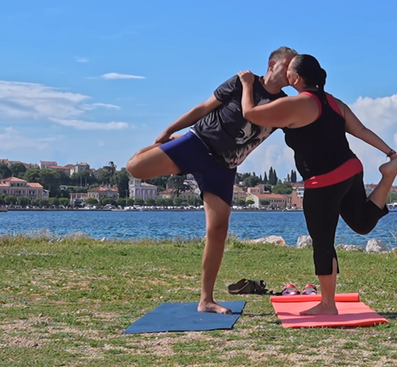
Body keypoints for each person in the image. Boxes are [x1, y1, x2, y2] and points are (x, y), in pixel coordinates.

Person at [126, 46, 297, 314]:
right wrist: (169, 132)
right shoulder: (242, 82)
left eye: (293, 68)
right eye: (286, 65)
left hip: (223, 167)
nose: (289, 72)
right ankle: (175, 148)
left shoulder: (284, 104)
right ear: (271, 63)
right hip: (198, 144)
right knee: (135, 167)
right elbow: (204, 107)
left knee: (217, 230)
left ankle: (206, 300)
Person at [237, 54, 397, 315]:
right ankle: (388, 176)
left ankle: (328, 304)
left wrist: (247, 83)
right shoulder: (335, 103)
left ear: (296, 78)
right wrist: (391, 153)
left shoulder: (297, 104)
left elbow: (250, 113)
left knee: (322, 241)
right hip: (351, 169)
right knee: (361, 224)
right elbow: (361, 131)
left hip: (324, 181)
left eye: (289, 73)